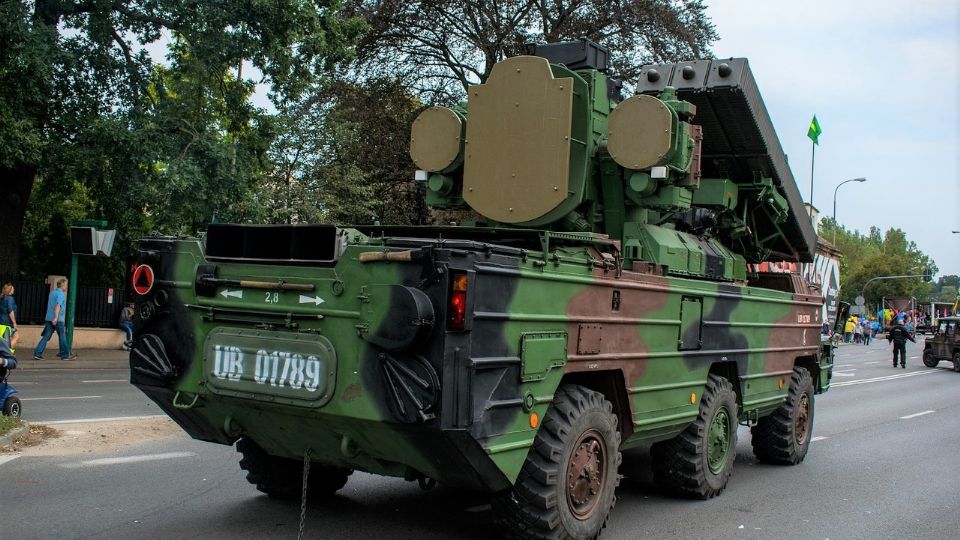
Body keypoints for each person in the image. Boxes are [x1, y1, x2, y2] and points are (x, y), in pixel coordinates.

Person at [33, 278, 77, 361]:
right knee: (62, 336)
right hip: (57, 319)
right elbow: (58, 306)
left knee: (46, 336)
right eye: (66, 285)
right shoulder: (60, 294)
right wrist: (56, 317)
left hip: (49, 318)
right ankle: (64, 355)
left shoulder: (52, 293)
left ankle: (37, 353)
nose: (67, 287)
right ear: (63, 284)